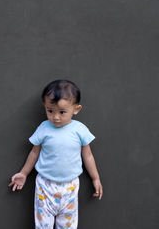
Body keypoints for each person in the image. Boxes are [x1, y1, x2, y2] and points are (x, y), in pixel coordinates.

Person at [8, 79, 103, 229]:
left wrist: (95, 178)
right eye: (50, 111)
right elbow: (34, 152)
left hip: (70, 186)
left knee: (68, 225)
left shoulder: (80, 130)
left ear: (76, 109)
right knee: (42, 226)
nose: (56, 117)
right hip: (45, 186)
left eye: (62, 112)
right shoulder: (44, 128)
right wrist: (24, 173)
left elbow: (88, 156)